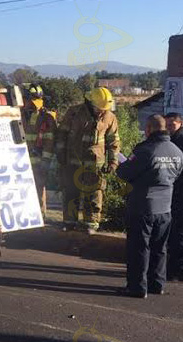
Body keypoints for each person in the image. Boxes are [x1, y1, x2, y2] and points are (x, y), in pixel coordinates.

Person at [116, 114, 183, 298]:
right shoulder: (177, 152)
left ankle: (137, 288)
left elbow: (124, 173)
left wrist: (122, 165)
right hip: (165, 208)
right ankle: (157, 284)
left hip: (143, 206)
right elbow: (176, 176)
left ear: (149, 129)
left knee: (139, 248)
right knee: (160, 248)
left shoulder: (145, 150)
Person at [55, 87, 120, 234]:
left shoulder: (110, 117)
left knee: (94, 194)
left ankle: (91, 224)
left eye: (104, 109)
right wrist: (60, 154)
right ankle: (69, 223)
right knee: (71, 192)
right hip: (72, 161)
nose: (101, 111)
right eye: (99, 108)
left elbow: (113, 142)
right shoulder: (74, 112)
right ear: (90, 103)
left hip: (95, 165)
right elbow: (62, 134)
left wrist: (113, 162)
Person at [22, 84, 57, 217]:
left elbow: (49, 141)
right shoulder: (19, 114)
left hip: (37, 160)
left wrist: (45, 161)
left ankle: (40, 216)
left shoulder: (46, 117)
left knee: (38, 186)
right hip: (20, 161)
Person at [165, 112, 183, 280]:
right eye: (167, 125)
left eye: (172, 125)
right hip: (173, 191)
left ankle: (174, 270)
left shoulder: (179, 142)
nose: (169, 128)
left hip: (178, 192)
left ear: (180, 124)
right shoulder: (170, 140)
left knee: (177, 232)